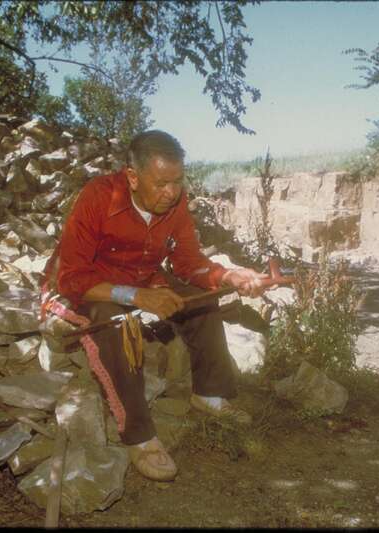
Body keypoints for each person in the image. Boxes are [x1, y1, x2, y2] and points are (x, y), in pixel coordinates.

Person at [56, 130, 269, 481]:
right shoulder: (98, 196)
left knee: (202, 301)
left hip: (143, 277)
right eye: (161, 184)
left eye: (177, 181)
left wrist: (229, 276)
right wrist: (135, 297)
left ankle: (209, 394)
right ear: (133, 177)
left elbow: (188, 261)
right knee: (117, 325)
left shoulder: (175, 202)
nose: (171, 193)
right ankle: (139, 436)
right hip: (94, 287)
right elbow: (71, 278)